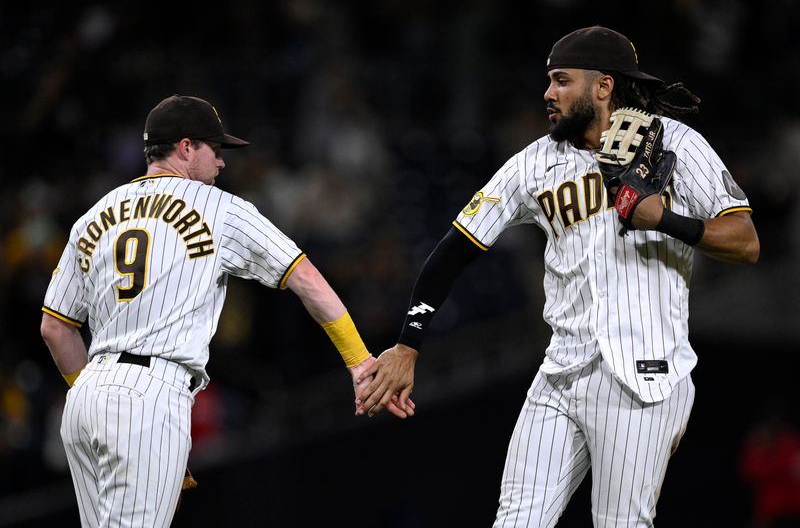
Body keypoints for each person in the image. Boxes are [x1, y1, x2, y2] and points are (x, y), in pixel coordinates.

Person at [355, 26, 760, 526]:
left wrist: (666, 219)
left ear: (603, 86)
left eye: (562, 80)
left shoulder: (674, 143)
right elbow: (454, 250)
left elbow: (746, 240)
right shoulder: (537, 162)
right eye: (550, 81)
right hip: (561, 376)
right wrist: (407, 343)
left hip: (645, 377)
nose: (548, 93)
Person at [40, 94, 412, 528]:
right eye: (214, 150)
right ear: (185, 148)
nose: (221, 163)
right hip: (152, 391)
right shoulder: (217, 207)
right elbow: (306, 277)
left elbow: (55, 328)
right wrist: (358, 359)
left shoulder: (92, 217)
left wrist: (98, 398)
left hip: (85, 395)